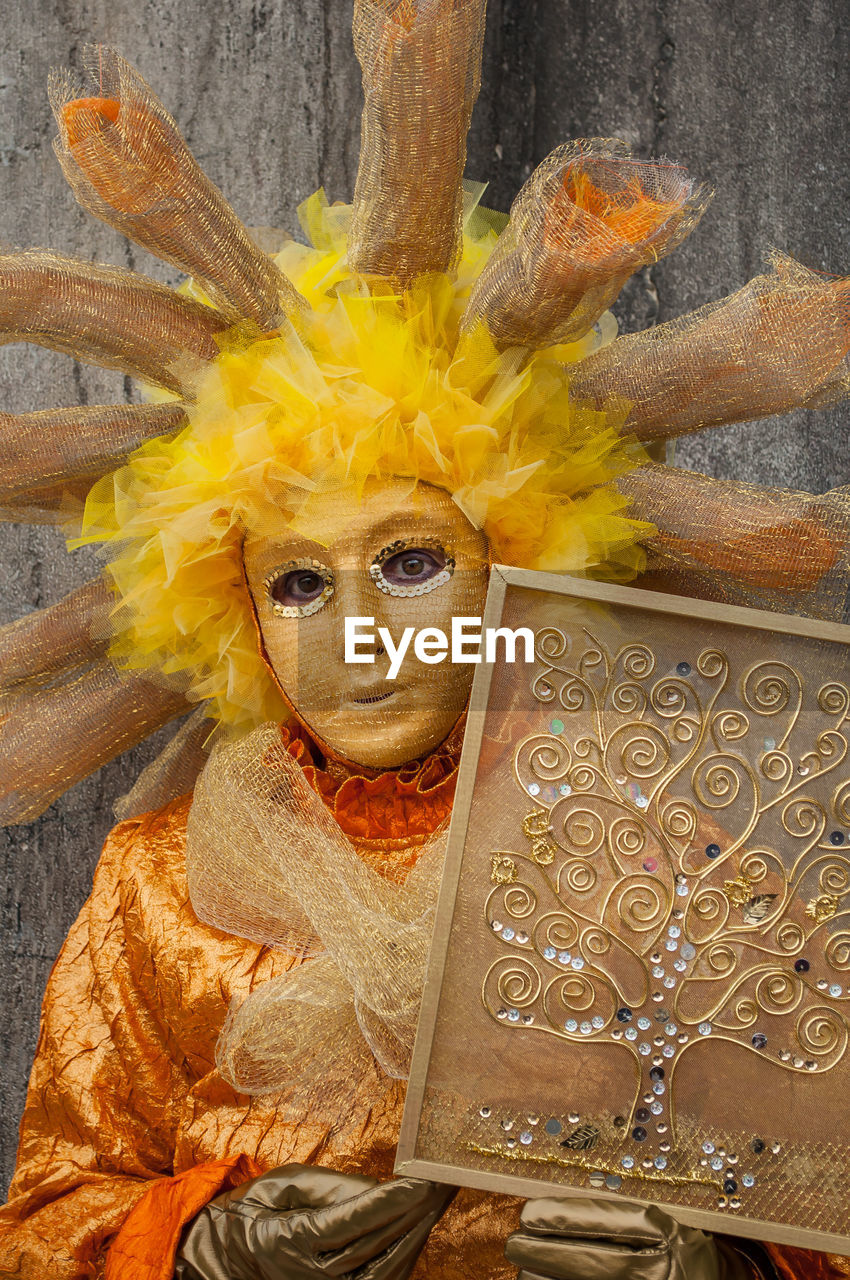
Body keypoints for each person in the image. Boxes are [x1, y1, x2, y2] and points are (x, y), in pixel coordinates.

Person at [1, 4, 849, 1277]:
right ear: (228, 610)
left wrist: (715, 1261)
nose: (356, 633)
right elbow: (48, 1207)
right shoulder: (158, 890)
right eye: (296, 581)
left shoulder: (666, 848)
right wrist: (191, 1247)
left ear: (518, 563)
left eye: (408, 562)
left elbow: (817, 1181)